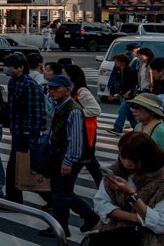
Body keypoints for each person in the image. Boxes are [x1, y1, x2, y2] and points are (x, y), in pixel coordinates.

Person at [89, 130, 164, 246]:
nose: (127, 163)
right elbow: (100, 204)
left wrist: (132, 194)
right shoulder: (116, 172)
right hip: (114, 236)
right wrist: (137, 218)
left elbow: (159, 225)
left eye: (133, 159)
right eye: (123, 156)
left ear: (148, 157)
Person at [40, 74, 96, 236]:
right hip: (60, 154)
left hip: (68, 157)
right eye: (50, 88)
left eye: (56, 88)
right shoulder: (60, 106)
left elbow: (76, 140)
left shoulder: (73, 110)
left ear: (67, 90)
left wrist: (68, 161)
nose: (51, 91)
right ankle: (88, 216)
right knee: (61, 190)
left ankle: (62, 228)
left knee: (60, 193)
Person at [1, 51, 47, 204]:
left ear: (20, 68)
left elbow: (36, 112)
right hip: (17, 130)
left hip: (26, 133)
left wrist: (31, 135)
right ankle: (50, 199)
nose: (6, 69)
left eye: (9, 66)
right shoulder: (14, 81)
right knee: (23, 167)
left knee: (18, 168)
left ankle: (14, 199)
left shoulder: (29, 84)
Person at [126, 94, 164, 187]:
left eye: (137, 107)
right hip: (141, 176)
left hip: (160, 180)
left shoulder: (163, 130)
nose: (134, 110)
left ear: (152, 112)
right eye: (132, 107)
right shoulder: (138, 126)